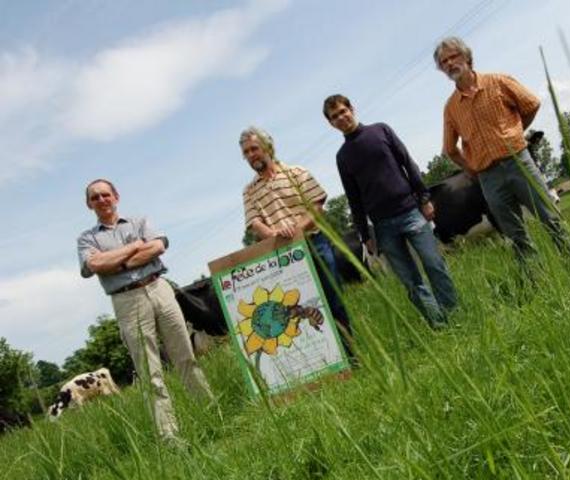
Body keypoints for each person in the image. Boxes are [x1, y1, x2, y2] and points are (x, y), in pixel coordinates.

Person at [77, 179, 214, 444]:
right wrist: (133, 248)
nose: (102, 200)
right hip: (127, 300)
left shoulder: (140, 221)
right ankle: (169, 436)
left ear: (116, 196)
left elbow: (159, 246)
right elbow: (94, 264)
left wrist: (116, 262)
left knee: (186, 356)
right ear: (89, 204)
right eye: (95, 197)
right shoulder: (87, 238)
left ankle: (210, 412)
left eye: (106, 194)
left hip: (159, 288)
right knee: (149, 370)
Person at [323, 94, 458, 326]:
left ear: (351, 109)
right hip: (382, 227)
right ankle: (439, 324)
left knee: (434, 264)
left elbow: (407, 162)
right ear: (331, 123)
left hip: (411, 212)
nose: (341, 118)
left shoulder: (380, 131)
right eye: (335, 117)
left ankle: (453, 314)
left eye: (343, 111)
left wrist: (424, 197)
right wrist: (365, 235)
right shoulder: (342, 157)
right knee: (410, 281)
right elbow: (353, 198)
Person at [435, 36, 570, 260]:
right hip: (488, 177)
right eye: (443, 62)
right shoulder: (451, 108)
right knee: (514, 234)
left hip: (519, 163)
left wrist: (515, 131)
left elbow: (531, 104)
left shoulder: (498, 81)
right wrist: (473, 170)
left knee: (550, 218)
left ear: (467, 57)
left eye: (453, 56)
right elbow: (450, 149)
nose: (449, 63)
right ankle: (538, 282)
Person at [239, 126, 355, 360]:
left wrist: (297, 229)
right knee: (298, 308)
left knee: (333, 299)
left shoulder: (296, 172)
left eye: (254, 149)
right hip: (283, 254)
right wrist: (274, 233)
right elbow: (255, 223)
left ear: (267, 147)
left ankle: (351, 355)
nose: (251, 155)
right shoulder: (249, 191)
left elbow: (317, 207)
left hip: (315, 243)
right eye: (246, 152)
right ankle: (324, 361)